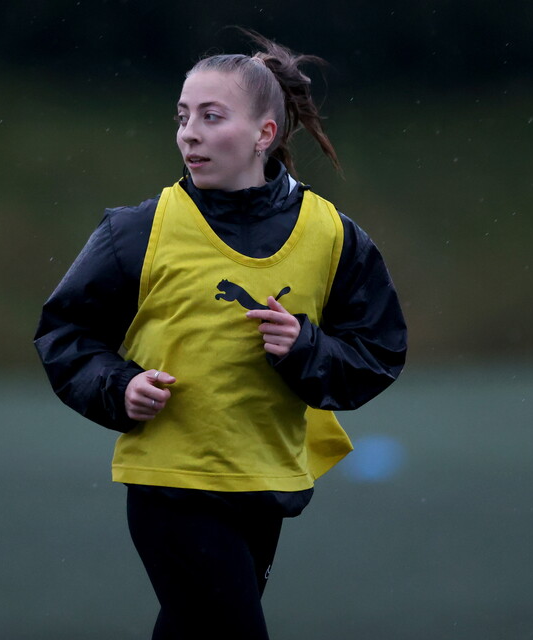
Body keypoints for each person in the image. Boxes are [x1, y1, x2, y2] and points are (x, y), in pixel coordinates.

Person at [34, 29, 407, 640]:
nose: (189, 132)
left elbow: (379, 350)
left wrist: (306, 348)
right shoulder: (136, 231)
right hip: (172, 484)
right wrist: (118, 388)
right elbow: (65, 332)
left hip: (266, 482)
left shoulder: (332, 234)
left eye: (212, 116)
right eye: (183, 116)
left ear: (265, 133)